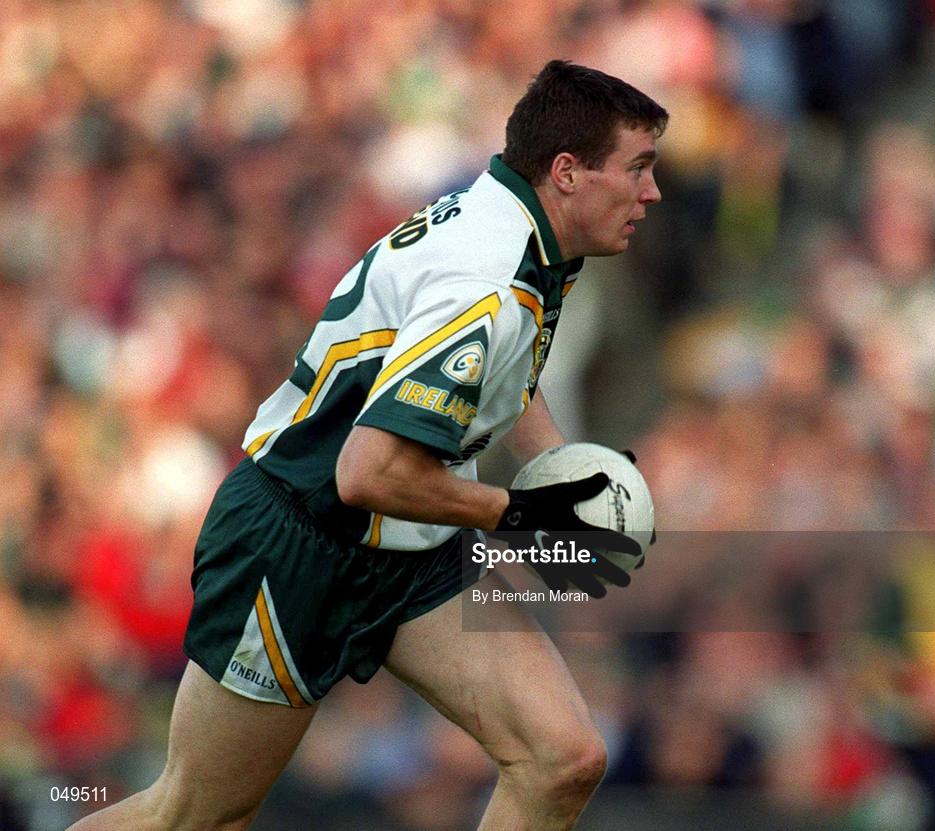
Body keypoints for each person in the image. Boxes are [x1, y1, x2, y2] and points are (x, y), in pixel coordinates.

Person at [69, 59, 667, 831]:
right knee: (197, 814)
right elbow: (369, 470)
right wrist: (523, 515)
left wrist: (566, 477)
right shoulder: (485, 280)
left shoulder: (524, 227)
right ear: (567, 173)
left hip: (409, 545)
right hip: (298, 539)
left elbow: (500, 376)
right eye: (639, 168)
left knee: (564, 758)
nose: (652, 193)